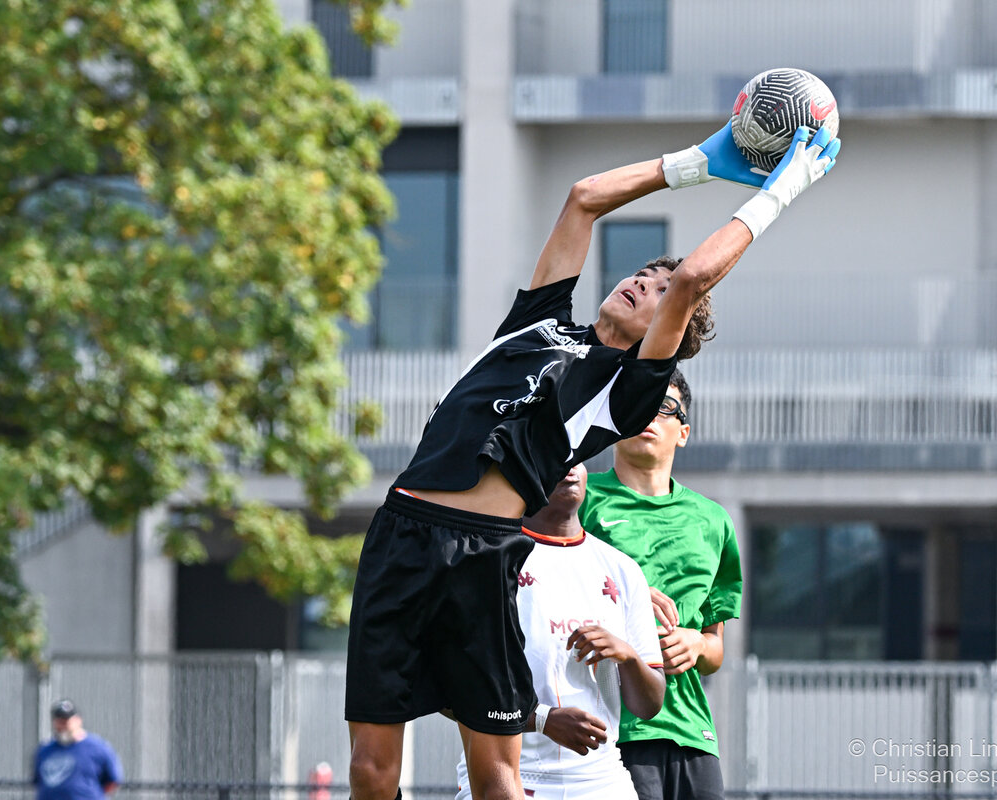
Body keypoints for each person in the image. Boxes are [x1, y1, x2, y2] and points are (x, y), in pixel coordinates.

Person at [345, 121, 839, 800]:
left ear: (667, 331)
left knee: (496, 779)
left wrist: (782, 190)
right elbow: (584, 199)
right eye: (642, 274)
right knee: (371, 774)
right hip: (401, 531)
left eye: (658, 291)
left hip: (484, 556)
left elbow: (694, 278)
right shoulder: (539, 324)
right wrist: (699, 161)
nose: (643, 282)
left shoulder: (625, 394)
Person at [453, 463, 665, 799]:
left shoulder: (622, 569)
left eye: (576, 457)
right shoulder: (483, 561)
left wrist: (628, 657)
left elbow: (649, 705)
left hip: (602, 779)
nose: (569, 467)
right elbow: (448, 690)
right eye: (556, 455)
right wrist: (541, 719)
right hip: (508, 779)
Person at [580, 370, 742, 800]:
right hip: (610, 730)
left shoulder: (714, 521)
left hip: (693, 733)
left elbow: (715, 649)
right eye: (638, 402)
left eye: (665, 407)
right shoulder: (579, 499)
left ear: (683, 432)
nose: (649, 414)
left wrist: (697, 643)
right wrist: (625, 594)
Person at [32, 699, 122, 800]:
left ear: (78, 720)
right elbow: (38, 781)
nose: (63, 726)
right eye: (59, 721)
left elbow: (112, 781)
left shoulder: (98, 748)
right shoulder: (45, 750)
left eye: (66, 721)